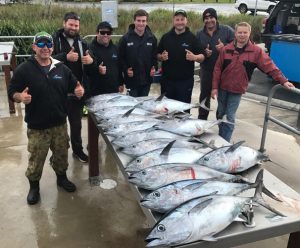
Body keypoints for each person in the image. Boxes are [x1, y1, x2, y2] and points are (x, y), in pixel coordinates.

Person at [8, 31, 85, 205]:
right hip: (37, 127)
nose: (45, 48)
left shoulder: (61, 68)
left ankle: (62, 178)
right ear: (34, 47)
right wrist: (20, 97)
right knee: (36, 159)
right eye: (41, 44)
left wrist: (79, 91)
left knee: (61, 155)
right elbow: (11, 91)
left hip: (59, 124)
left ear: (52, 47)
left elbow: (76, 85)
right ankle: (34, 187)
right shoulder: (24, 69)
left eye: (48, 44)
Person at [211, 22, 295, 142]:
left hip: (237, 90)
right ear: (235, 33)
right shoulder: (226, 49)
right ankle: (221, 136)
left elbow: (270, 66)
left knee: (229, 116)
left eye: (245, 32)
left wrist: (283, 80)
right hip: (222, 88)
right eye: (239, 32)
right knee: (220, 114)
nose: (242, 35)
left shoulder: (256, 52)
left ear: (249, 33)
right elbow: (217, 69)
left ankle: (225, 143)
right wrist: (214, 87)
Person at [52, 12, 93, 163]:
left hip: (76, 93)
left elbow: (90, 67)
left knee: (76, 126)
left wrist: (91, 61)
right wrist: (65, 57)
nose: (73, 28)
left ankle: (77, 151)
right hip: (57, 93)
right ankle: (57, 153)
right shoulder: (54, 40)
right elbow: (44, 61)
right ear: (64, 23)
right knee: (57, 128)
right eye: (71, 24)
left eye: (76, 25)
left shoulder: (83, 43)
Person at [157, 9, 205, 104]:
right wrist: (161, 57)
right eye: (177, 19)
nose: (180, 22)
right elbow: (157, 54)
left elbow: (203, 57)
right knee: (166, 111)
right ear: (173, 21)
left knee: (183, 113)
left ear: (186, 21)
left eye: (182, 19)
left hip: (185, 83)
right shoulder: (165, 37)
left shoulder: (192, 38)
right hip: (167, 82)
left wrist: (195, 57)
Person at [196, 8, 234, 120]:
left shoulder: (227, 30)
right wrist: (203, 52)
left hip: (223, 72)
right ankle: (201, 122)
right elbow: (196, 50)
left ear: (216, 18)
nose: (209, 20)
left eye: (211, 17)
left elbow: (238, 46)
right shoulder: (199, 34)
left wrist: (225, 47)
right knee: (204, 97)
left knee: (222, 99)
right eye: (206, 18)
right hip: (206, 71)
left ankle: (220, 122)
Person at [118, 9, 157, 97]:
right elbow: (120, 59)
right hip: (131, 81)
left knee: (143, 106)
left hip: (146, 81)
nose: (141, 23)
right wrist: (126, 69)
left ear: (147, 22)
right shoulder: (125, 39)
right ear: (134, 21)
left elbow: (154, 57)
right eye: (138, 21)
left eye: (143, 21)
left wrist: (154, 68)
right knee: (133, 107)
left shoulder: (152, 38)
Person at [87, 21, 124, 97]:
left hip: (114, 91)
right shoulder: (89, 48)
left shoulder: (115, 48)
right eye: (103, 32)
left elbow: (119, 67)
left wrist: (121, 83)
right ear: (97, 33)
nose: (106, 35)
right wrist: (97, 69)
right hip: (96, 92)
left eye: (108, 33)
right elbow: (86, 70)